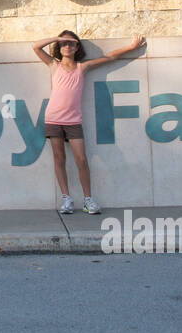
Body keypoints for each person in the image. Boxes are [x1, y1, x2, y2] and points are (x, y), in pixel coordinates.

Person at [31, 29, 146, 214]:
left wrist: (131, 48)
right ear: (59, 47)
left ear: (77, 47)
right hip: (53, 119)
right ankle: (67, 199)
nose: (67, 46)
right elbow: (35, 46)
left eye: (71, 43)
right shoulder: (53, 65)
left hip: (73, 121)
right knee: (59, 159)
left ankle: (88, 200)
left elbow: (109, 58)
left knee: (81, 160)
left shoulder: (81, 68)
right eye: (63, 44)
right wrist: (58, 38)